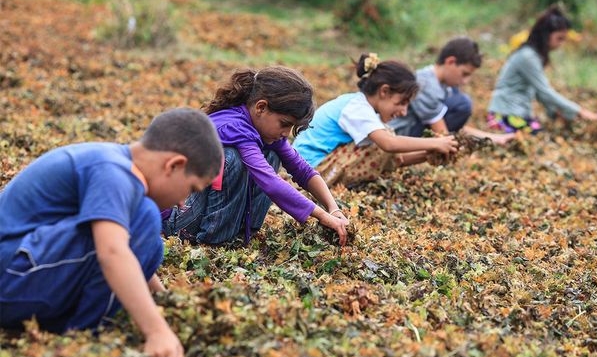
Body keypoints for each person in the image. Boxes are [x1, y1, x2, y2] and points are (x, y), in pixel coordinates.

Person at [0, 108, 223, 357]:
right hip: (10, 278)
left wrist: (164, 301)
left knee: (147, 234)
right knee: (145, 217)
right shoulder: (113, 171)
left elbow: (134, 255)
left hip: (22, 274)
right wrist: (156, 330)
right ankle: (84, 335)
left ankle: (75, 326)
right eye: (190, 189)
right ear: (174, 165)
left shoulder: (113, 162)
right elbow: (113, 251)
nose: (184, 202)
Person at [162, 66, 350, 246]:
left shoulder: (263, 129)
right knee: (231, 159)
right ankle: (213, 240)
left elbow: (302, 170)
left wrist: (333, 209)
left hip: (198, 212)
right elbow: (271, 182)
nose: (286, 133)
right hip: (178, 220)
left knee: (272, 153)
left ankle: (242, 231)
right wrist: (323, 216)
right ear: (261, 107)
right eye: (284, 124)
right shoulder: (233, 126)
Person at [292, 53, 459, 187]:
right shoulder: (357, 108)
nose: (403, 111)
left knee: (383, 140)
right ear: (384, 91)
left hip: (312, 166)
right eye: (401, 103)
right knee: (384, 141)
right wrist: (435, 143)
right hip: (308, 169)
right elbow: (389, 145)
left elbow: (393, 157)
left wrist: (428, 154)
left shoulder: (362, 107)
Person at [488, 5, 597, 133]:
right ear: (546, 35)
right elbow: (545, 91)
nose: (561, 44)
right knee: (540, 140)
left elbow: (540, 94)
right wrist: (582, 112)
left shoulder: (534, 56)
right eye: (559, 38)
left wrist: (557, 113)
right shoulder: (527, 57)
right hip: (505, 115)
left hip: (518, 113)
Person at [389, 37, 515, 145]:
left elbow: (452, 127)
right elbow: (442, 134)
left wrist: (493, 138)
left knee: (459, 100)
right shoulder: (427, 85)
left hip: (415, 129)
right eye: (464, 74)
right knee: (463, 104)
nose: (465, 81)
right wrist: (454, 150)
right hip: (400, 134)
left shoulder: (442, 85)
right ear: (450, 62)